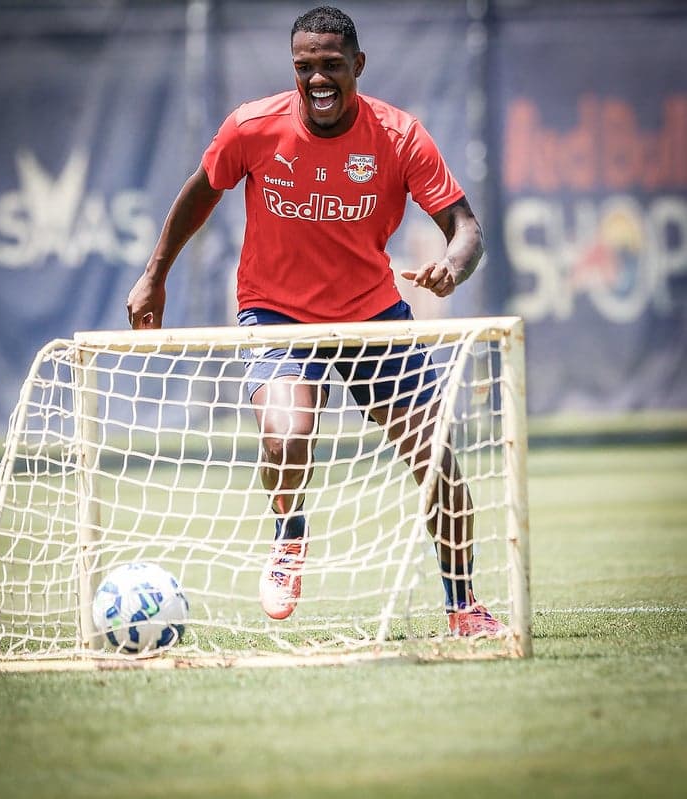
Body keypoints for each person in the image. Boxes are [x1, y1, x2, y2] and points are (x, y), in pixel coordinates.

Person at [127, 5, 505, 638]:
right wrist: (155, 273)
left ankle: (463, 606)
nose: (318, 79)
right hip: (275, 313)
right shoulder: (251, 127)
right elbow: (201, 190)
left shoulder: (400, 135)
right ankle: (289, 537)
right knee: (285, 435)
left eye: (332, 65)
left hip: (373, 314)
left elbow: (465, 228)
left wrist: (453, 265)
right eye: (306, 67)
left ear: (358, 65)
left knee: (435, 456)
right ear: (294, 69)